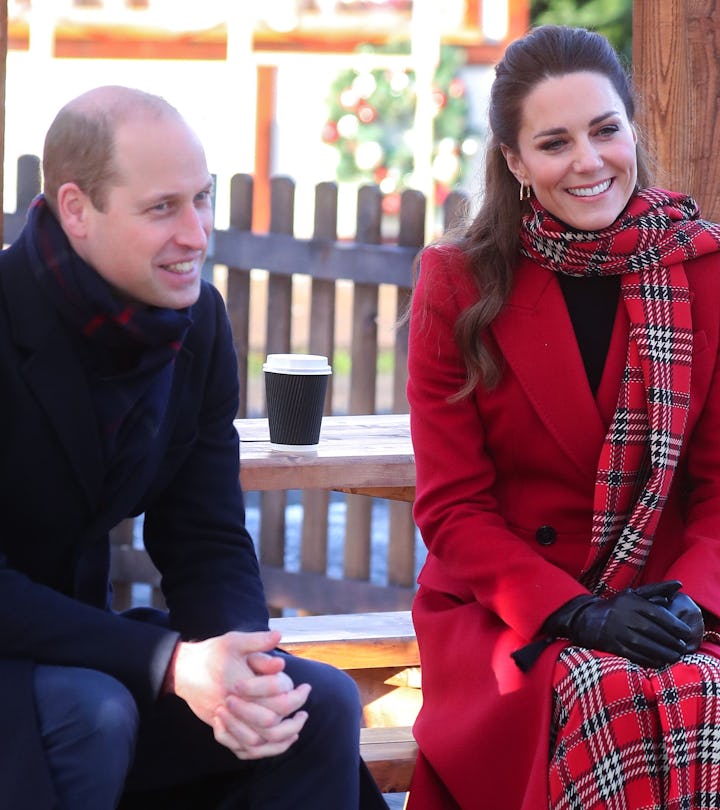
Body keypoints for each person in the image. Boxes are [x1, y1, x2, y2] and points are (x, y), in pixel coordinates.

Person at [0, 85, 388, 810]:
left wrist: (244, 672)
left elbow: (204, 535)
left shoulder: (196, 323)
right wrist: (171, 661)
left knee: (313, 706)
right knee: (95, 714)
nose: (197, 233)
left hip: (78, 652)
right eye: (162, 208)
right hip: (39, 670)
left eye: (201, 199)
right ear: (78, 210)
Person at [406, 24, 720, 810]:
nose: (588, 162)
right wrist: (575, 611)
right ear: (515, 162)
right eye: (554, 142)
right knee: (599, 691)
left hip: (667, 601)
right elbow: (453, 510)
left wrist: (690, 600)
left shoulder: (706, 267)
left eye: (605, 130)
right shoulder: (457, 284)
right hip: (512, 613)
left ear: (631, 130)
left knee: (700, 686)